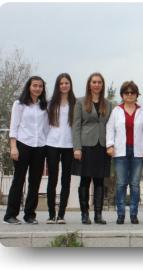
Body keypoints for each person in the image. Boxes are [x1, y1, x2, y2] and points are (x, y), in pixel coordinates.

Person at [3, 76, 48, 225]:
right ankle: (10, 215)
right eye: (35, 85)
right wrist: (13, 147)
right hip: (23, 145)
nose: (37, 88)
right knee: (18, 180)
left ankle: (29, 215)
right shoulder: (19, 104)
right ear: (29, 87)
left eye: (40, 86)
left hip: (39, 147)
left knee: (35, 182)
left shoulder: (44, 106)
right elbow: (14, 127)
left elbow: (46, 129)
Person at [106, 81, 143, 225]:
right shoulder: (116, 111)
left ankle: (133, 214)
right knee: (120, 184)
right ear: (122, 95)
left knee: (134, 185)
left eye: (133, 92)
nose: (130, 95)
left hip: (137, 152)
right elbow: (110, 129)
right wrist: (110, 145)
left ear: (137, 95)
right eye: (127, 93)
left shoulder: (142, 112)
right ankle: (120, 214)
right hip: (120, 152)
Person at [72, 72, 113, 225]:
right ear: (89, 84)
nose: (96, 84)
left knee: (99, 182)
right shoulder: (80, 102)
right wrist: (77, 147)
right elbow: (75, 126)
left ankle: (98, 215)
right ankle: (84, 214)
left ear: (102, 85)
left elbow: (111, 126)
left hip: (102, 146)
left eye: (99, 82)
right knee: (84, 180)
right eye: (94, 82)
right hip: (85, 145)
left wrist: (111, 145)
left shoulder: (108, 104)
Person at [45, 73, 76, 224]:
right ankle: (51, 214)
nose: (64, 85)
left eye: (67, 83)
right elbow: (45, 125)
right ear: (58, 86)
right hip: (52, 144)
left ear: (70, 85)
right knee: (52, 178)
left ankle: (61, 214)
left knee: (66, 180)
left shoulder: (75, 103)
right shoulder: (50, 103)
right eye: (61, 83)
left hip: (69, 146)